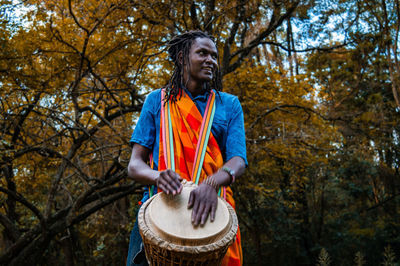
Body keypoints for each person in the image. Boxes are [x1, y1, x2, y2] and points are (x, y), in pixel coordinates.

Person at [126, 30, 247, 266]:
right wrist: (157, 175)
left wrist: (211, 183)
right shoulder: (156, 101)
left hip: (212, 215)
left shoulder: (229, 105)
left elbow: (238, 160)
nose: (211, 60)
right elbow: (134, 164)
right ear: (182, 58)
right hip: (159, 215)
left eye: (213, 56)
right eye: (202, 53)